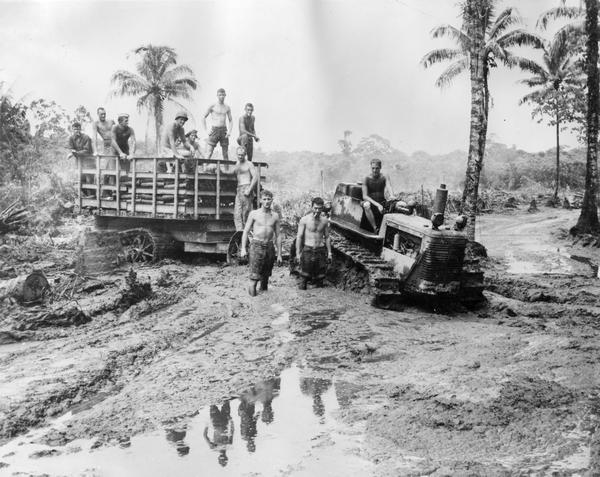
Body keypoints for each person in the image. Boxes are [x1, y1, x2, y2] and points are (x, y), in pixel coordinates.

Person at [240, 189, 283, 297]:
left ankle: (264, 305)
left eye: (269, 199)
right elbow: (245, 231)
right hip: (256, 246)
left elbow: (278, 235)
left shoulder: (275, 216)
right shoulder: (254, 214)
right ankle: (253, 303)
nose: (267, 201)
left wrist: (279, 254)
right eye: (264, 199)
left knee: (265, 277)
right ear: (260, 200)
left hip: (269, 247)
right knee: (254, 278)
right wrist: (243, 249)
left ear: (272, 200)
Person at [295, 197, 332, 290]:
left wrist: (329, 253)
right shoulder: (304, 220)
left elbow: (327, 237)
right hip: (308, 249)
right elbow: (299, 236)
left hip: (320, 250)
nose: (317, 210)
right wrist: (298, 253)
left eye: (320, 208)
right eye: (315, 208)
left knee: (320, 277)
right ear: (311, 207)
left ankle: (318, 300)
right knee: (304, 277)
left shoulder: (324, 221)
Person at [361, 158, 395, 233]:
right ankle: (375, 228)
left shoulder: (384, 176)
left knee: (397, 205)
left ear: (380, 168)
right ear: (370, 167)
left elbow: (389, 186)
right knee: (366, 205)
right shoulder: (366, 178)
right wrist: (377, 205)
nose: (374, 170)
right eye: (373, 168)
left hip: (381, 201)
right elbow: (365, 196)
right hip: (370, 202)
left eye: (377, 168)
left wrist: (392, 195)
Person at [202, 88, 233, 168]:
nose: (221, 96)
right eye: (220, 95)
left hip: (223, 130)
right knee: (209, 152)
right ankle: (204, 169)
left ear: (225, 95)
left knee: (225, 153)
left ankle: (227, 170)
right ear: (217, 95)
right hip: (214, 130)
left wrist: (229, 132)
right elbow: (203, 117)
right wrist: (206, 130)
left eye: (223, 95)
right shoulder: (213, 106)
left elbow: (230, 120)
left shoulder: (227, 107)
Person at [233, 146, 257, 231]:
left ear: (245, 154)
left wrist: (249, 189)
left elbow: (255, 177)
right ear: (236, 154)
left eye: (242, 155)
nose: (240, 156)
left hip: (246, 187)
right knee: (237, 214)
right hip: (239, 189)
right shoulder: (237, 163)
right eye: (239, 155)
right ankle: (240, 233)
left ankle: (248, 235)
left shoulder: (249, 164)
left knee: (246, 214)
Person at [68, 122, 94, 196]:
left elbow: (87, 150)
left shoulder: (86, 137)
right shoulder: (71, 138)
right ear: (72, 129)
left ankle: (91, 197)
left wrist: (75, 153)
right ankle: (86, 197)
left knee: (89, 180)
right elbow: (71, 148)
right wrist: (72, 152)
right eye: (75, 129)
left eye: (78, 129)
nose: (76, 131)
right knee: (80, 179)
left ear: (80, 129)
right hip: (79, 162)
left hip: (88, 161)